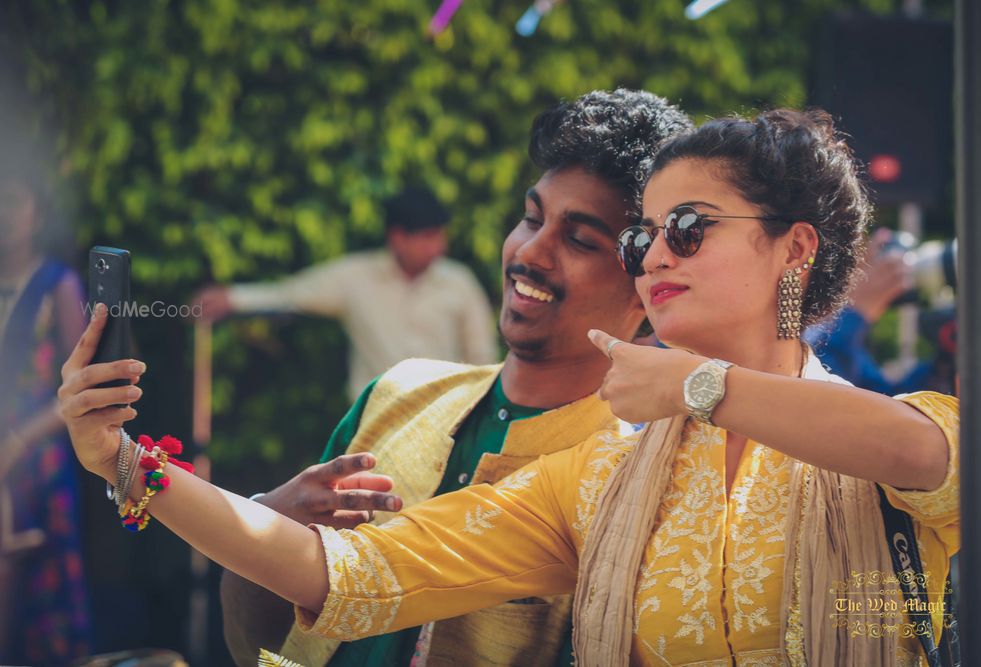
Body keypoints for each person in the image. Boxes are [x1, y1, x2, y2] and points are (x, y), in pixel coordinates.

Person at [58, 109, 958, 666]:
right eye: (643, 238)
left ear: (794, 248)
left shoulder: (906, 431)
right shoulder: (603, 474)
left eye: (687, 227)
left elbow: (919, 452)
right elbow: (352, 573)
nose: (657, 257)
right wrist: (129, 464)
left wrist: (700, 385)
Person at [219, 90, 693, 667]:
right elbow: (260, 648)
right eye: (531, 218)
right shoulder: (397, 395)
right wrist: (268, 521)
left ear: (647, 291)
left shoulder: (635, 486)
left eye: (578, 239)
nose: (529, 252)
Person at [192, 187, 498, 399]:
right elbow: (293, 292)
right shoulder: (356, 278)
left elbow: (482, 358)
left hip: (446, 422)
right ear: (397, 238)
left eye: (440, 236)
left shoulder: (459, 281)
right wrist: (232, 298)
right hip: (374, 425)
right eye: (428, 238)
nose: (439, 248)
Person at [0, 163, 92, 664]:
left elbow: (77, 388)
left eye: (15, 201)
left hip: (37, 459)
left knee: (42, 592)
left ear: (37, 214)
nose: (5, 214)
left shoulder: (58, 284)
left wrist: (15, 443)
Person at [805, 227, 934, 394]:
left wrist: (945, 361)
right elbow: (818, 393)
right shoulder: (796, 324)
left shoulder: (835, 329)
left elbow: (884, 398)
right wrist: (856, 312)